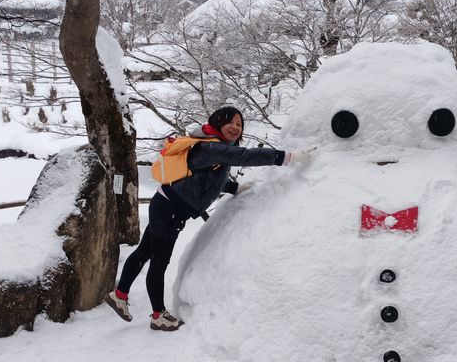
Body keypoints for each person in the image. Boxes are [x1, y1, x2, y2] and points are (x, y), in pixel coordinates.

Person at [105, 106, 314, 331]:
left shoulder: (211, 146)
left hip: (166, 205)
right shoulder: (210, 146)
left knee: (145, 252)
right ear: (217, 123)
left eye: (239, 124)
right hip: (170, 210)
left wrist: (234, 188)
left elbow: (208, 178)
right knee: (159, 263)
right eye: (230, 122)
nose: (235, 127)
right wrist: (288, 157)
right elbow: (245, 156)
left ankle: (119, 295)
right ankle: (158, 315)